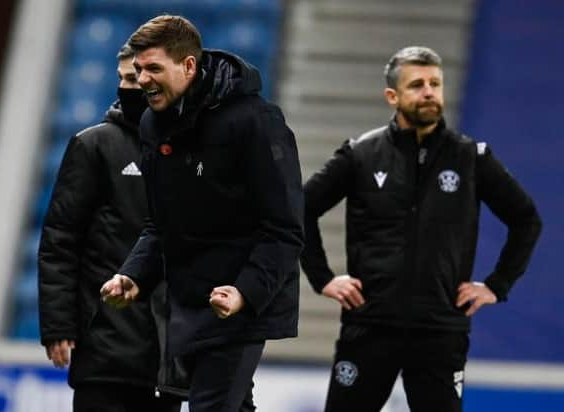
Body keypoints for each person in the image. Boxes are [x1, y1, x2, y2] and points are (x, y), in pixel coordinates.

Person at [300, 46, 542, 412]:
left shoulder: (470, 158)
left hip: (440, 330)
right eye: (416, 85)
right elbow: (298, 210)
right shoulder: (360, 155)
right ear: (392, 96)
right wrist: (322, 277)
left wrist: (497, 284)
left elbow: (526, 219)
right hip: (370, 326)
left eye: (435, 83)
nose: (429, 92)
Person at [100, 15, 304, 412]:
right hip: (189, 300)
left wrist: (245, 291)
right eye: (139, 69)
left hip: (240, 302)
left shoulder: (256, 122)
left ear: (189, 66)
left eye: (154, 68)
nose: (143, 80)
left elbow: (284, 229)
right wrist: (133, 274)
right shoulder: (152, 123)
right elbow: (160, 223)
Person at [38, 43, 184, 412]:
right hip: (105, 348)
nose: (128, 87)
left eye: (136, 78)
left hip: (169, 356)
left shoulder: (194, 150)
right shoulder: (94, 145)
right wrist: (59, 325)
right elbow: (60, 240)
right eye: (123, 78)